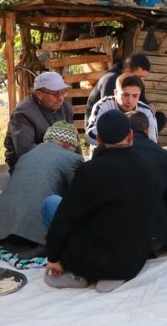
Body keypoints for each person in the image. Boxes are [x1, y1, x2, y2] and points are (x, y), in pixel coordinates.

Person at [44, 110, 153, 293]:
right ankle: (114, 275)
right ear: (130, 135)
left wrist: (54, 258)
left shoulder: (89, 171)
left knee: (52, 205)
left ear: (100, 140)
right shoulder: (146, 166)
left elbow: (65, 219)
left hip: (93, 259)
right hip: (132, 259)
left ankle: (78, 274)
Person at [0, 122, 83, 258]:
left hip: (2, 231)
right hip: (37, 230)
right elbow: (79, 195)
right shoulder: (72, 158)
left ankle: (16, 241)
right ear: (69, 144)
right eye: (75, 146)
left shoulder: (26, 156)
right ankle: (44, 245)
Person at [125, 111, 167, 253]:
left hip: (121, 231)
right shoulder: (165, 156)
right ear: (147, 130)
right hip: (156, 231)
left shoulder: (111, 155)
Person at [4, 71, 74, 170]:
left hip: (60, 161)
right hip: (28, 166)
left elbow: (73, 141)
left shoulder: (66, 108)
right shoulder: (23, 113)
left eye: (63, 92)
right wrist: (61, 154)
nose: (60, 98)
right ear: (39, 94)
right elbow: (26, 151)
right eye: (55, 94)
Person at [85, 74, 158, 142]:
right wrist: (118, 143)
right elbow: (90, 135)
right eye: (125, 95)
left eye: (135, 96)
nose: (130, 100)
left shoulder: (146, 111)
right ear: (115, 92)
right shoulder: (102, 106)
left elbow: (152, 140)